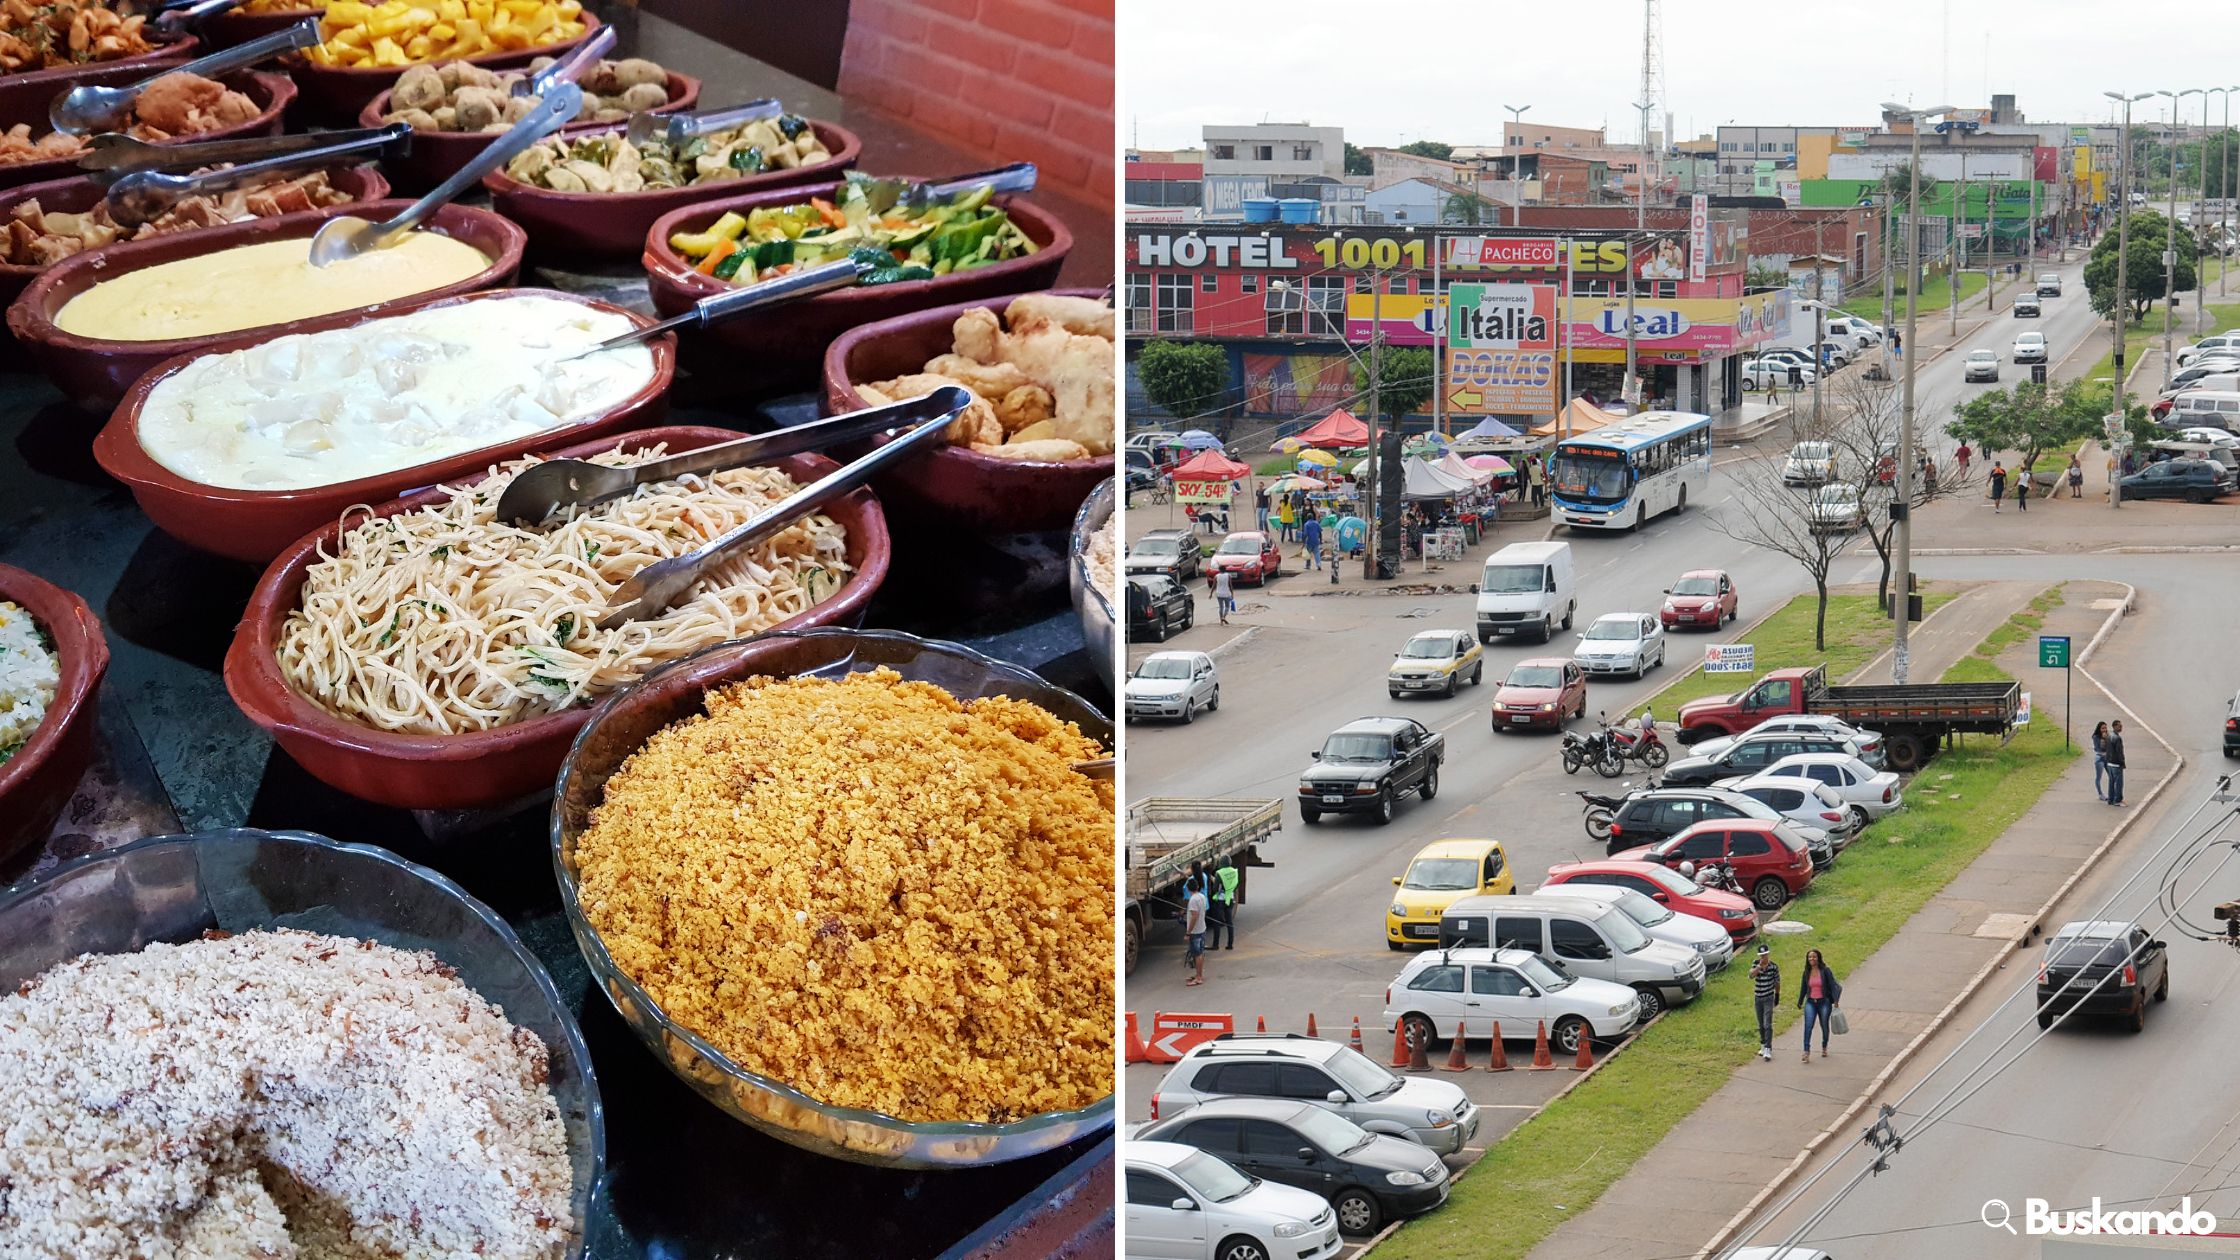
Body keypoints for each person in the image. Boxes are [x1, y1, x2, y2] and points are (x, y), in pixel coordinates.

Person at [1797, 948, 1842, 1061]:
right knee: (1808, 1026)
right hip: (1811, 1002)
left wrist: (1836, 1001)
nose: (1812, 959)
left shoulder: (1825, 970)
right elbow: (1803, 987)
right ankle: (1806, 1051)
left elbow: (1832, 985)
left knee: (1824, 1025)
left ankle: (1824, 1046)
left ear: (1818, 958)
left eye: (1814, 957)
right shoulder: (1806, 972)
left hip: (1824, 1002)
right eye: (1810, 957)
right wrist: (1800, 1000)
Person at [1750, 945, 1781, 1062]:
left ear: (1768, 955)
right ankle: (1763, 1044)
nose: (1764, 957)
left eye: (1765, 955)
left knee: (1767, 1024)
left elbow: (1777, 982)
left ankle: (1768, 1048)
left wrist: (1777, 996)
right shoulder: (1755, 963)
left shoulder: (1774, 967)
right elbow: (1750, 975)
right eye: (1761, 955)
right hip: (1758, 998)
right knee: (1760, 1024)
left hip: (1768, 997)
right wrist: (1759, 967)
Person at [1183, 873, 1209, 987]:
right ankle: (1199, 974)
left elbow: (1194, 916)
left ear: (1188, 889)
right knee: (1200, 953)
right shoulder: (1202, 897)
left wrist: (1188, 932)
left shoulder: (1193, 900)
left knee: (1197, 954)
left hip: (1195, 931)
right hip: (1202, 928)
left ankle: (1198, 978)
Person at [1211, 859, 1239, 950]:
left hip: (1221, 899)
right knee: (1229, 922)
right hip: (1230, 898)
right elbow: (1236, 885)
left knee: (1217, 922)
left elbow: (1215, 888)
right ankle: (1230, 944)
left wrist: (1215, 893)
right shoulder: (1234, 871)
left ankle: (1216, 945)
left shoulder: (1219, 873)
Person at [2105, 720, 2127, 806]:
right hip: (2116, 764)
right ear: (2114, 726)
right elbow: (2119, 752)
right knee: (2118, 783)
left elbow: (2107, 749)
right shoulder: (2117, 738)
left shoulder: (2109, 736)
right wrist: (2122, 762)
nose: (2121, 728)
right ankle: (2118, 800)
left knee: (2111, 782)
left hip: (2109, 763)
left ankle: (2110, 799)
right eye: (2119, 726)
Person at [2091, 720, 2110, 802]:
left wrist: (2107, 739)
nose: (2104, 730)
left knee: (2111, 776)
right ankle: (2100, 793)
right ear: (2099, 729)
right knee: (2099, 777)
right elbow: (2099, 748)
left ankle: (2112, 792)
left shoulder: (2108, 736)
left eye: (2105, 728)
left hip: (2107, 757)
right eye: (2102, 728)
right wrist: (2103, 739)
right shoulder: (2096, 737)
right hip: (2100, 758)